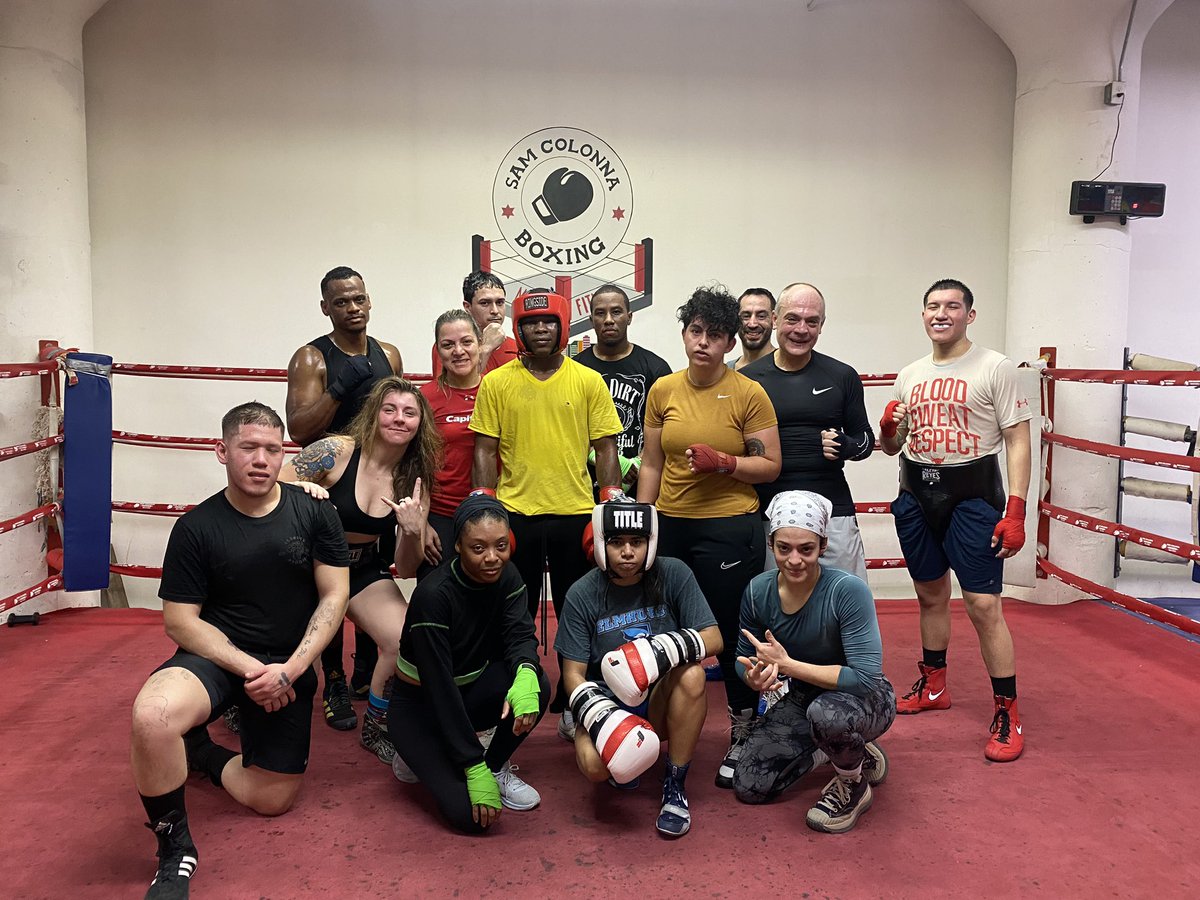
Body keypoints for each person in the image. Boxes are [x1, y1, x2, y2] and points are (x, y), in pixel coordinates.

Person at [129, 402, 350, 899]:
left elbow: (335, 595)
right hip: (220, 658)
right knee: (153, 716)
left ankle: (201, 752)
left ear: (283, 456)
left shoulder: (315, 512)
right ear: (221, 451)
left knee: (270, 799)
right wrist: (256, 671)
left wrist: (289, 671)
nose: (260, 460)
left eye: (272, 450)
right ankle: (173, 852)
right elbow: (180, 622)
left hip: (289, 664)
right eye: (248, 447)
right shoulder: (196, 528)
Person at [880, 277, 1032, 762]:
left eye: (951, 306)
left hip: (972, 496)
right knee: (929, 595)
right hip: (916, 492)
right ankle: (933, 685)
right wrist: (888, 429)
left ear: (969, 314)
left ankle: (1007, 711)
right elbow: (892, 446)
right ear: (922, 315)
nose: (940, 313)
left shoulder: (995, 367)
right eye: (932, 306)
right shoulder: (910, 373)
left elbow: (1018, 440)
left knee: (984, 605)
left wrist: (1017, 508)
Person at [637, 284, 781, 788]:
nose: (703, 342)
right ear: (684, 335)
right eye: (695, 331)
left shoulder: (747, 392)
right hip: (671, 524)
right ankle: (655, 726)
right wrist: (643, 519)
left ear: (729, 342)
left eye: (715, 335)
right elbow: (652, 461)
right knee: (663, 627)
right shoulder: (664, 390)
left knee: (727, 629)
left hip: (727, 525)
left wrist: (725, 463)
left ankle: (744, 726)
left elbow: (770, 464)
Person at [471, 289, 624, 740]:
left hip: (574, 512)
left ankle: (575, 698)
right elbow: (484, 449)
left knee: (578, 613)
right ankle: (516, 689)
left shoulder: (587, 381)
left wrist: (609, 499)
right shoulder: (497, 383)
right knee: (511, 611)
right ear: (518, 328)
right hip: (514, 514)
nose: (540, 330)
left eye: (549, 323)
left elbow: (606, 448)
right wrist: (483, 501)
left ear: (562, 326)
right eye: (531, 323)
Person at [280, 376, 441, 765]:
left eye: (409, 412)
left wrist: (412, 530)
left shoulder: (414, 480)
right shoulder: (336, 451)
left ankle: (378, 722)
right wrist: (308, 497)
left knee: (404, 637)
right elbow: (276, 488)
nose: (398, 419)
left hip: (362, 568)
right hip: (308, 564)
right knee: (267, 628)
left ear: (420, 423)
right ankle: (238, 694)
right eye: (390, 409)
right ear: (374, 413)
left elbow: (404, 567)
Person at [556, 499, 722, 838]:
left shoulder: (673, 573)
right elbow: (572, 675)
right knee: (595, 767)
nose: (628, 552)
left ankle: (675, 783)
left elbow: (714, 638)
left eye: (637, 542)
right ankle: (617, 750)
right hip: (608, 702)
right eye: (617, 542)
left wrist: (659, 651)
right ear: (602, 544)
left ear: (652, 542)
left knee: (692, 673)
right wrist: (601, 717)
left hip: (660, 696)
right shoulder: (582, 593)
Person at [733, 491, 895, 834]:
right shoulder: (757, 591)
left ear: (823, 545)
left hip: (866, 698)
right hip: (807, 697)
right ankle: (840, 750)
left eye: (806, 549)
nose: (794, 560)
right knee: (749, 785)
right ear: (770, 544)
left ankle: (853, 784)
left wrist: (788, 666)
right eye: (784, 548)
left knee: (827, 715)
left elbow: (866, 678)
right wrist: (754, 677)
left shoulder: (847, 591)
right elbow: (741, 658)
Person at [388, 493, 550, 833]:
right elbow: (438, 686)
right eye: (479, 548)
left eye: (501, 546)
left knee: (538, 686)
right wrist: (469, 762)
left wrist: (525, 671)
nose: (492, 558)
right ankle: (430, 755)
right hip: (421, 705)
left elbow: (520, 635)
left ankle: (493, 767)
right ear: (458, 546)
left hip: (468, 691)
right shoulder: (434, 595)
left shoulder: (509, 576)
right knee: (469, 818)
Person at [284, 265, 403, 730]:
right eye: (341, 302)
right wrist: (338, 387)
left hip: (376, 480)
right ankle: (332, 677)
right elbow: (298, 429)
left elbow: (399, 414)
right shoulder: (311, 358)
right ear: (325, 308)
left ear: (369, 300)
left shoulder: (388, 353)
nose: (352, 308)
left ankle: (363, 674)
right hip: (329, 480)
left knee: (375, 567)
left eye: (358, 299)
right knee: (328, 586)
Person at [741, 282, 874, 580]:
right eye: (792, 319)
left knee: (846, 602)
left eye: (811, 321)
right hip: (768, 511)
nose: (801, 329)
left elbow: (866, 439)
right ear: (775, 320)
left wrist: (847, 445)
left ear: (822, 326)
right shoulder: (747, 380)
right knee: (774, 608)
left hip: (832, 508)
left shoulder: (842, 375)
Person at [574, 284, 672, 495]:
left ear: (629, 317)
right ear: (591, 320)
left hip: (643, 486)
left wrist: (636, 464)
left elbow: (669, 427)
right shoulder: (574, 369)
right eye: (600, 313)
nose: (608, 319)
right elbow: (567, 429)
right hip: (584, 490)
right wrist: (603, 458)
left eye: (616, 312)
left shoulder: (655, 368)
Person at [419, 309, 495, 577]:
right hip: (441, 516)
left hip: (491, 514)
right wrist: (421, 523)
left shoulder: (497, 391)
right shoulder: (424, 398)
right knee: (438, 602)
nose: (458, 351)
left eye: (466, 342)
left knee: (486, 607)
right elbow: (413, 464)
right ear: (438, 351)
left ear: (479, 344)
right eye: (448, 345)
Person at [431, 270, 520, 378]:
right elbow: (452, 390)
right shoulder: (451, 346)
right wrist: (486, 348)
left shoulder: (516, 347)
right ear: (467, 307)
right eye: (485, 303)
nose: (495, 310)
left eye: (500, 302)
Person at [727, 287, 776, 371]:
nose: (752, 324)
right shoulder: (728, 370)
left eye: (761, 316)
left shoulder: (786, 368)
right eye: (746, 316)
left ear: (774, 319)